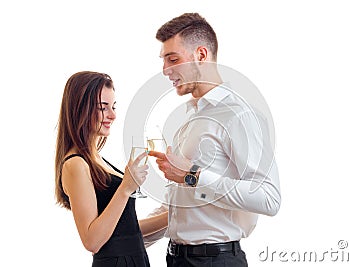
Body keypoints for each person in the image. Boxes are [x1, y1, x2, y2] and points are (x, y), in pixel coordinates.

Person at [149, 13, 281, 266]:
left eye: (173, 59)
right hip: (177, 259)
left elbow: (269, 198)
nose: (165, 70)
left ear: (201, 55)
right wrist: (122, 237)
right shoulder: (189, 118)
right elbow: (182, 210)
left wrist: (193, 175)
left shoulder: (240, 115)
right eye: (163, 60)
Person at [55, 71, 168, 267]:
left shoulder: (97, 159)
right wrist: (125, 188)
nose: (113, 115)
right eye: (103, 108)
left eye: (113, 107)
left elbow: (126, 232)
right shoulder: (75, 164)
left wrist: (176, 214)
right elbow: (92, 241)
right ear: (79, 109)